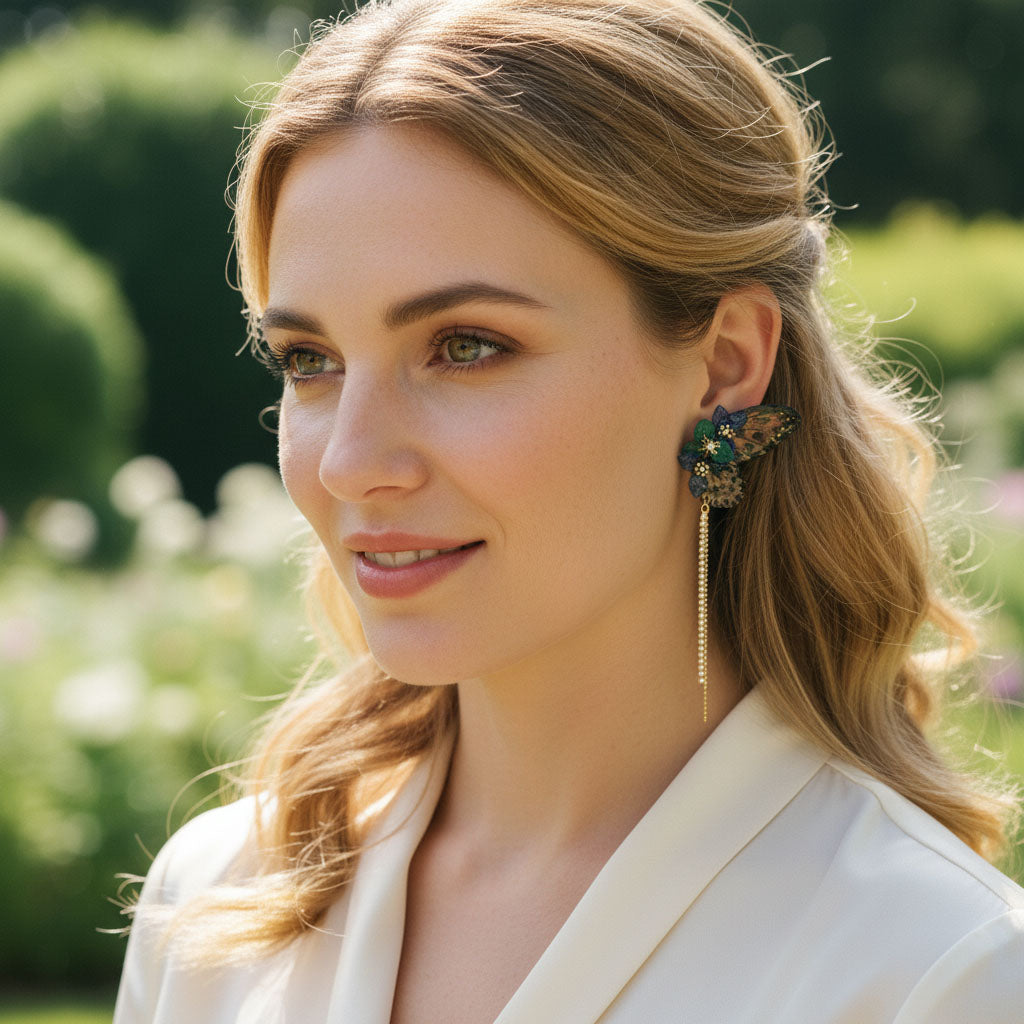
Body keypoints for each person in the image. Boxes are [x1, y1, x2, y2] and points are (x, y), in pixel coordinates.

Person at [113, 1, 1024, 1021]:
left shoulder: (934, 972)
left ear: (726, 364)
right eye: (309, 360)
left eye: (465, 347)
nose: (351, 463)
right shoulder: (215, 909)